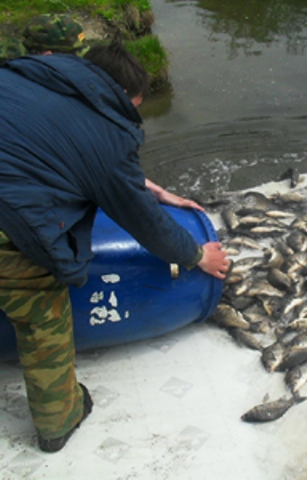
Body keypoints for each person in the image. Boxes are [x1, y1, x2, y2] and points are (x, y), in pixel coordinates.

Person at [0, 38, 229, 453]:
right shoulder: (107, 129)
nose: (131, 115)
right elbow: (145, 224)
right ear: (122, 96)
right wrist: (197, 254)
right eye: (135, 107)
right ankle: (59, 420)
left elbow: (51, 144)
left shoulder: (28, 73)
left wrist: (149, 187)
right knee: (40, 317)